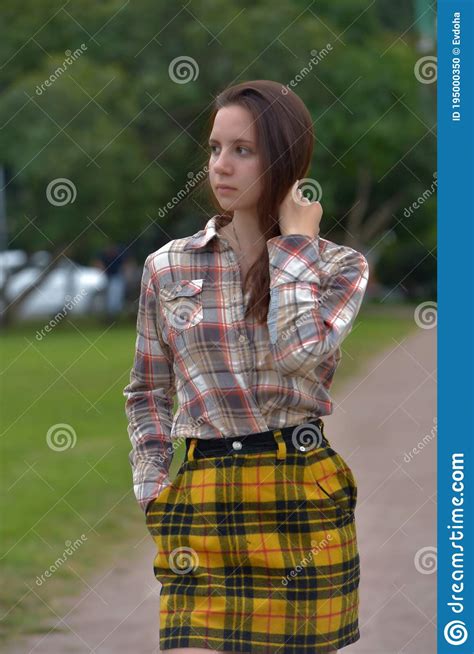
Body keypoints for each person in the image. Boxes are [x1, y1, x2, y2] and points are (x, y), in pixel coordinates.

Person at [123, 79, 369, 654]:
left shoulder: (338, 266)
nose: (220, 166)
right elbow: (147, 391)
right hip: (201, 501)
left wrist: (297, 248)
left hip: (300, 494)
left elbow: (299, 351)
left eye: (243, 150)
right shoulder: (168, 266)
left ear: (285, 158)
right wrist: (155, 490)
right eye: (214, 148)